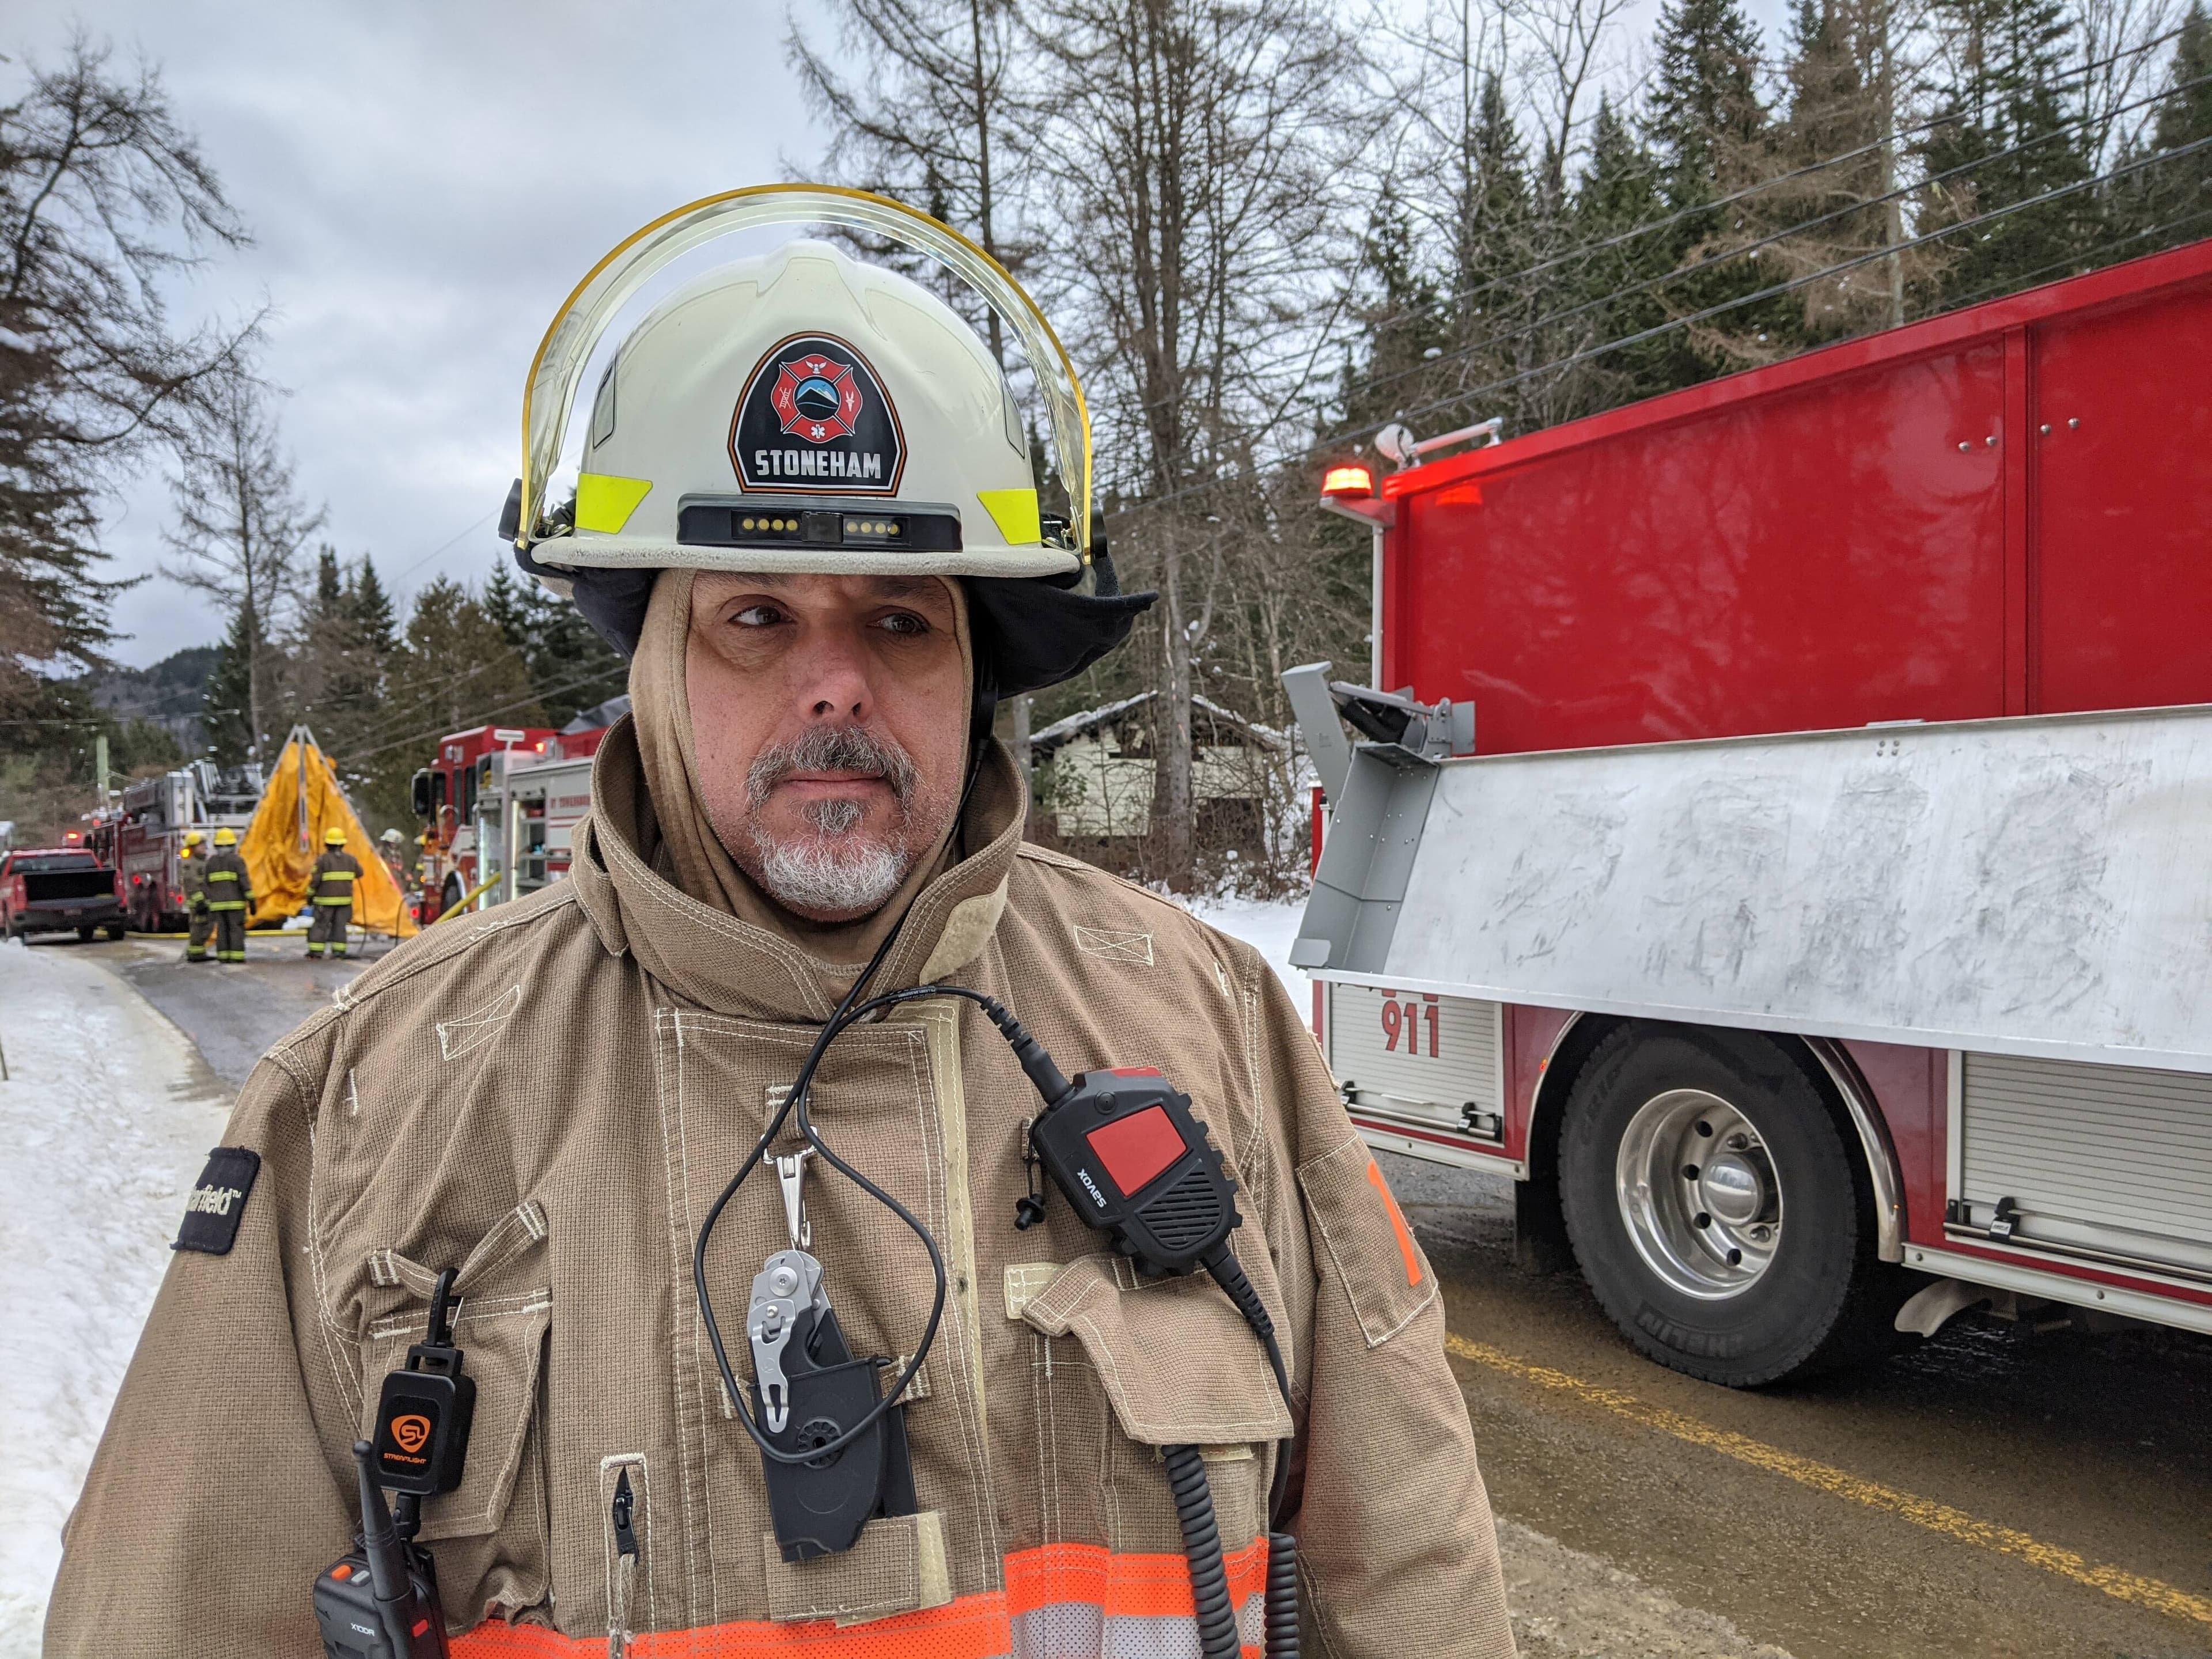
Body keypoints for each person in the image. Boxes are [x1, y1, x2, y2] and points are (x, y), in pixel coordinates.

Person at [47, 196, 1516, 1658]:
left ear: (976, 668)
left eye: (898, 622)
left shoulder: (1211, 1027)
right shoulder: (365, 1102)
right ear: (658, 664)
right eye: (756, 616)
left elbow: (1411, 1570)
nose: (833, 685)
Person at [305, 825, 361, 959]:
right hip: (345, 902)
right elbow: (360, 873)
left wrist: (309, 896)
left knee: (320, 925)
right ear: (343, 843)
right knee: (340, 926)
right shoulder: (351, 859)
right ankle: (339, 952)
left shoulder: (322, 860)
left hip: (324, 901)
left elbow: (315, 881)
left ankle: (316, 951)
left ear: (327, 844)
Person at [200, 825, 252, 965]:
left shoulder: (211, 862)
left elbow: (205, 884)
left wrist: (209, 901)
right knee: (236, 930)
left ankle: (223, 956)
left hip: (217, 905)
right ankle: (237, 956)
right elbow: (244, 882)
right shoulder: (237, 861)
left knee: (222, 931)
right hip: (236, 905)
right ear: (233, 845)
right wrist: (252, 901)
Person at [177, 831, 213, 964]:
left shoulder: (202, 861)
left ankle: (199, 951)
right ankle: (195, 953)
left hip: (206, 901)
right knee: (199, 927)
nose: (204, 846)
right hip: (198, 903)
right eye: (200, 844)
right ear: (193, 847)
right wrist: (200, 902)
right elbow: (191, 883)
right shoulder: (190, 863)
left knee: (206, 926)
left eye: (204, 843)